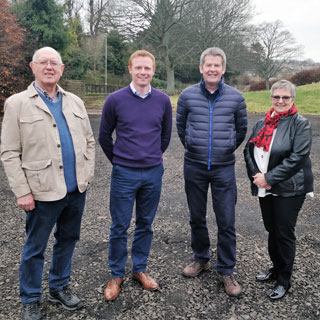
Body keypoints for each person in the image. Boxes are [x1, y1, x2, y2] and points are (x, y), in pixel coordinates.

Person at [0, 47, 95, 320]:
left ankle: (59, 287)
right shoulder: (18, 103)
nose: (49, 67)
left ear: (62, 69)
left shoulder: (75, 102)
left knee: (68, 240)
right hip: (41, 192)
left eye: (55, 63)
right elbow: (8, 152)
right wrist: (22, 191)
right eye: (44, 62)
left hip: (75, 189)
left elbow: (89, 140)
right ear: (33, 66)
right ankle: (30, 298)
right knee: (35, 247)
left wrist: (86, 174)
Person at [98, 50, 172, 301]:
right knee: (119, 225)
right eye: (138, 67)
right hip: (124, 173)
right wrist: (120, 160)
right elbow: (104, 137)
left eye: (147, 68)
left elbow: (165, 137)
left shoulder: (163, 101)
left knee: (145, 224)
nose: (143, 72)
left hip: (153, 173)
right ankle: (116, 274)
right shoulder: (115, 100)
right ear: (130, 69)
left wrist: (149, 157)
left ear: (153, 71)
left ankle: (139, 269)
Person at [176, 47, 247, 297]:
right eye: (208, 65)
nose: (213, 69)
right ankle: (201, 258)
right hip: (194, 166)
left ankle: (226, 269)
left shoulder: (236, 98)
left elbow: (240, 130)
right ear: (201, 68)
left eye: (217, 65)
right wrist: (196, 148)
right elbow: (181, 128)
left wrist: (224, 149)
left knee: (226, 221)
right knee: (197, 217)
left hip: (224, 168)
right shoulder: (186, 96)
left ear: (223, 69)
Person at [244, 79, 314, 300]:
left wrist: (269, 178)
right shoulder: (263, 122)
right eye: (276, 97)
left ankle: (285, 279)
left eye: (285, 97)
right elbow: (249, 149)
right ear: (271, 97)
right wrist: (257, 176)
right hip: (265, 185)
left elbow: (297, 158)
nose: (281, 101)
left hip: (289, 188)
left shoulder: (300, 124)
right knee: (272, 229)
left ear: (292, 99)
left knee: (284, 233)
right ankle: (275, 269)